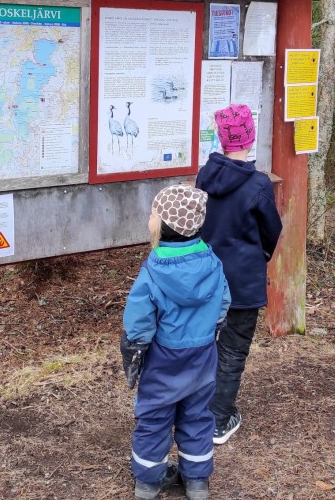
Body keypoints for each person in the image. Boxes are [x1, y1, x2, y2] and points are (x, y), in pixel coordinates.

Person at [121, 184, 230, 500]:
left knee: (154, 416)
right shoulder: (213, 263)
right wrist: (211, 328)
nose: (150, 218)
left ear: (163, 224)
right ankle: (197, 482)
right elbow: (224, 302)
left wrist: (135, 348)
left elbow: (139, 319)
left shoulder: (154, 269)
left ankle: (147, 483)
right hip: (202, 353)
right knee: (197, 414)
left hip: (163, 358)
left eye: (153, 213)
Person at [195, 103, 283, 445]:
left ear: (222, 138)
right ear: (250, 137)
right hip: (242, 282)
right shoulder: (258, 185)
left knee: (205, 344)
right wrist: (260, 256)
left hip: (206, 278)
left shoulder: (205, 176)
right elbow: (272, 230)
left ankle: (196, 410)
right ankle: (218, 420)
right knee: (232, 349)